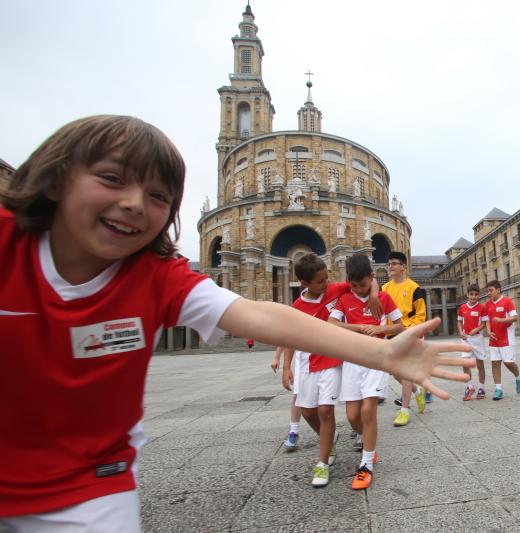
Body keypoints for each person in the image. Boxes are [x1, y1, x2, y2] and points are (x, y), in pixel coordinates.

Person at [0, 115, 472, 528]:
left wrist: (384, 352)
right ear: (57, 176)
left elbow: (263, 314)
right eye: (110, 178)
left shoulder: (155, 276)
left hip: (89, 488)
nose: (134, 204)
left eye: (158, 195)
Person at [284, 253, 381, 487]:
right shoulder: (296, 307)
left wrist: (375, 295)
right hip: (308, 362)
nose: (326, 284)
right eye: (320, 281)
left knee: (326, 410)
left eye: (327, 278)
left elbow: (369, 279)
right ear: (304, 284)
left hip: (332, 359)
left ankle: (323, 463)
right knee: (308, 412)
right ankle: (331, 438)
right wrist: (287, 366)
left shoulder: (335, 289)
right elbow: (288, 336)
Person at [328, 254, 405, 490]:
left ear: (372, 278)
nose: (359, 289)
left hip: (376, 357)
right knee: (353, 416)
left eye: (363, 285)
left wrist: (380, 328)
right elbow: (331, 325)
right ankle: (369, 444)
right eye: (354, 285)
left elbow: (400, 325)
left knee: (368, 410)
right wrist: (358, 328)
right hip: (352, 359)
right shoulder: (344, 299)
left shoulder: (383, 297)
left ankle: (366, 465)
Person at [382, 251, 428, 427]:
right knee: (394, 372)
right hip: (390, 334)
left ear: (403, 267)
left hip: (408, 334)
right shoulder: (385, 288)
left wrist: (409, 332)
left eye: (394, 263)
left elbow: (421, 316)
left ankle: (405, 410)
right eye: (389, 264)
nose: (390, 266)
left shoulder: (415, 288)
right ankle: (417, 391)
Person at [485, 280, 520, 399]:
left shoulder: (507, 301)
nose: (488, 293)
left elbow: (515, 317)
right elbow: (487, 320)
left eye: (490, 290)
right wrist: (488, 331)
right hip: (494, 338)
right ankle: (498, 389)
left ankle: (519, 376)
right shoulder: (488, 304)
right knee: (495, 363)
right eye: (487, 291)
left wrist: (502, 320)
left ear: (498, 289)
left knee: (508, 363)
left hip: (506, 338)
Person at [458, 285, 489, 400]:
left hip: (477, 339)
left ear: (479, 296)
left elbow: (485, 323)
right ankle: (470, 386)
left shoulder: (482, 308)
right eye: (471, 294)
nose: (473, 297)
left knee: (480, 364)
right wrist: (461, 331)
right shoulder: (462, 307)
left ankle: (481, 388)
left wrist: (477, 329)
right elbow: (459, 321)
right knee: (465, 363)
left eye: (476, 294)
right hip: (465, 339)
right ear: (468, 295)